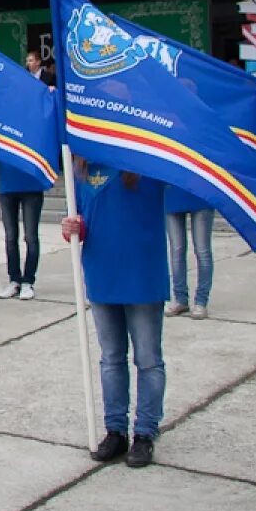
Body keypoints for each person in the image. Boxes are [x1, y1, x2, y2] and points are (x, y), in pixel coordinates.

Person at [61, 158, 167, 468]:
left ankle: (145, 433)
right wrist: (72, 228)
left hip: (142, 275)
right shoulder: (79, 168)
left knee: (147, 358)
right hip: (102, 273)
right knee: (111, 358)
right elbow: (81, 220)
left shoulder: (147, 162)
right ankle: (115, 430)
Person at [0, 160, 51, 300]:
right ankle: (14, 280)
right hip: (8, 185)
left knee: (30, 236)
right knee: (10, 237)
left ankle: (28, 281)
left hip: (31, 184)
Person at [164, 185, 214, 319]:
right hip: (172, 192)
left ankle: (201, 301)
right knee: (176, 249)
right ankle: (180, 299)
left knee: (202, 250)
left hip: (201, 192)